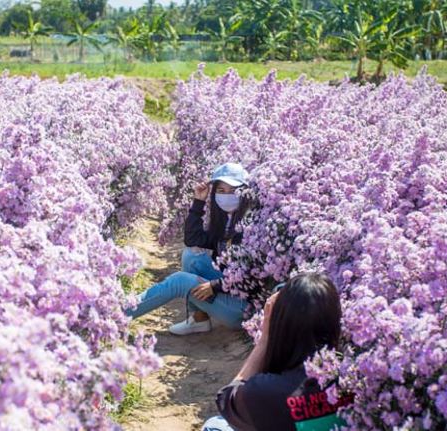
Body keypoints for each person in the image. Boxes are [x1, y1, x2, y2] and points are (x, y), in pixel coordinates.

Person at [204, 273, 353, 431]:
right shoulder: (356, 378)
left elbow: (227, 400)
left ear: (282, 323)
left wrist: (264, 340)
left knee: (214, 425)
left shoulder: (267, 390)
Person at [127, 162, 254, 335]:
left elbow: (253, 274)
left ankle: (118, 314)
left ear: (244, 192)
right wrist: (198, 201)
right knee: (191, 256)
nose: (227, 196)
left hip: (242, 309)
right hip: (229, 289)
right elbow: (193, 239)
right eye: (221, 191)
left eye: (233, 190)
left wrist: (215, 285)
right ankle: (199, 320)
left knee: (180, 281)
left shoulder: (251, 225)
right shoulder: (225, 220)